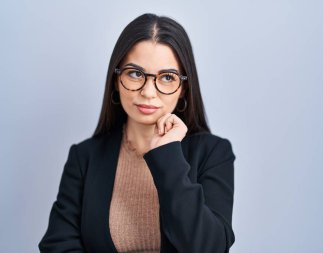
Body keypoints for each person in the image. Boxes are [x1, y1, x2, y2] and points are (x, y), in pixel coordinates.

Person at [38, 13, 236, 253]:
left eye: (166, 77)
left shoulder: (213, 153)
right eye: (135, 73)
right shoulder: (85, 157)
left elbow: (210, 248)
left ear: (183, 88)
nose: (149, 92)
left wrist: (168, 155)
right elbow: (58, 246)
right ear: (115, 78)